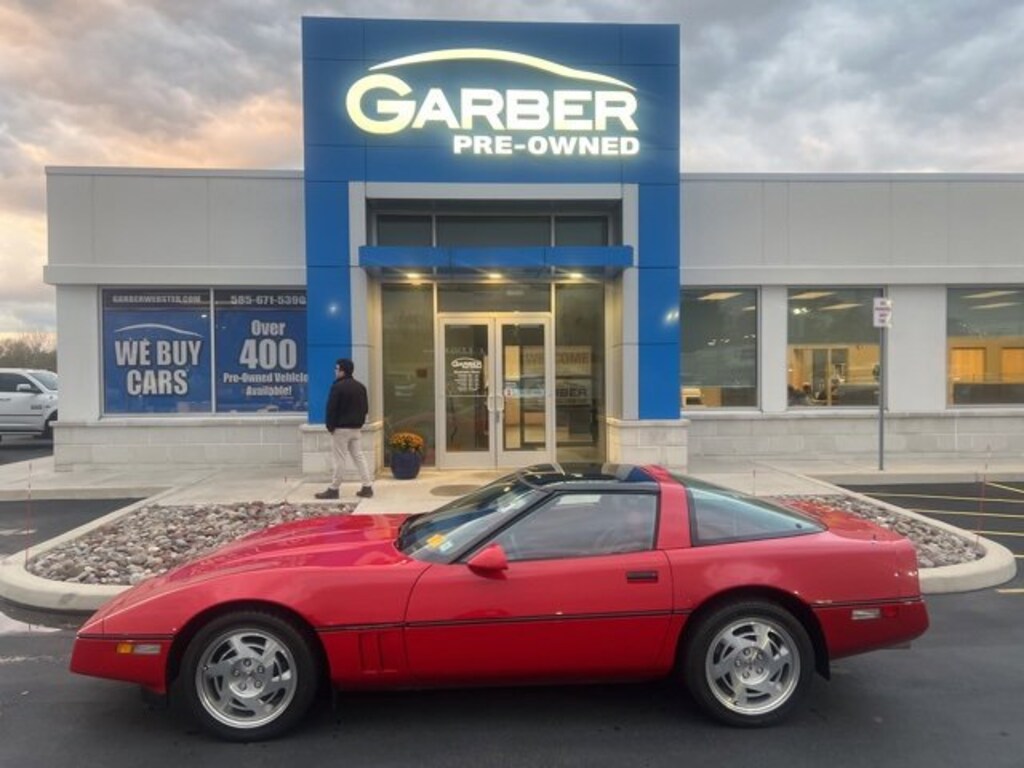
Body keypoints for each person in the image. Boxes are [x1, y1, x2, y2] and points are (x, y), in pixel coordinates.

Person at [315, 358, 374, 499]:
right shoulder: (360, 387)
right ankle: (367, 486)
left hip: (340, 429)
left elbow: (331, 409)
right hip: (356, 429)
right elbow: (365, 408)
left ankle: (334, 489)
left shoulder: (337, 387)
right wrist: (359, 422)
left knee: (339, 459)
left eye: (337, 369)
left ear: (342, 370)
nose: (335, 371)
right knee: (359, 457)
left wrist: (330, 426)